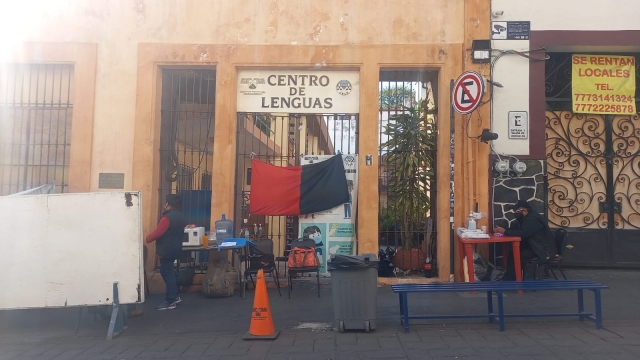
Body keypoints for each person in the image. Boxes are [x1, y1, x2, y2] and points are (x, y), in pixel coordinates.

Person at [145, 194, 193, 310]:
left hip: (166, 249)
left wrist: (148, 238)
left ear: (168, 204)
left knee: (168, 273)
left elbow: (158, 233)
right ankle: (174, 295)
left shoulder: (167, 218)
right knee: (165, 271)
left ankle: (171, 300)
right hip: (175, 248)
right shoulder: (180, 216)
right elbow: (189, 225)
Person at [495, 200, 557, 280]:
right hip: (535, 246)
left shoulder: (533, 219)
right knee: (513, 253)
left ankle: (512, 279)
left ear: (524, 211)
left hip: (543, 250)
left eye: (516, 211)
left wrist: (505, 232)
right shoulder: (526, 218)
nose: (515, 213)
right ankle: (512, 278)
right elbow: (518, 229)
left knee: (517, 255)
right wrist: (505, 230)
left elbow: (524, 233)